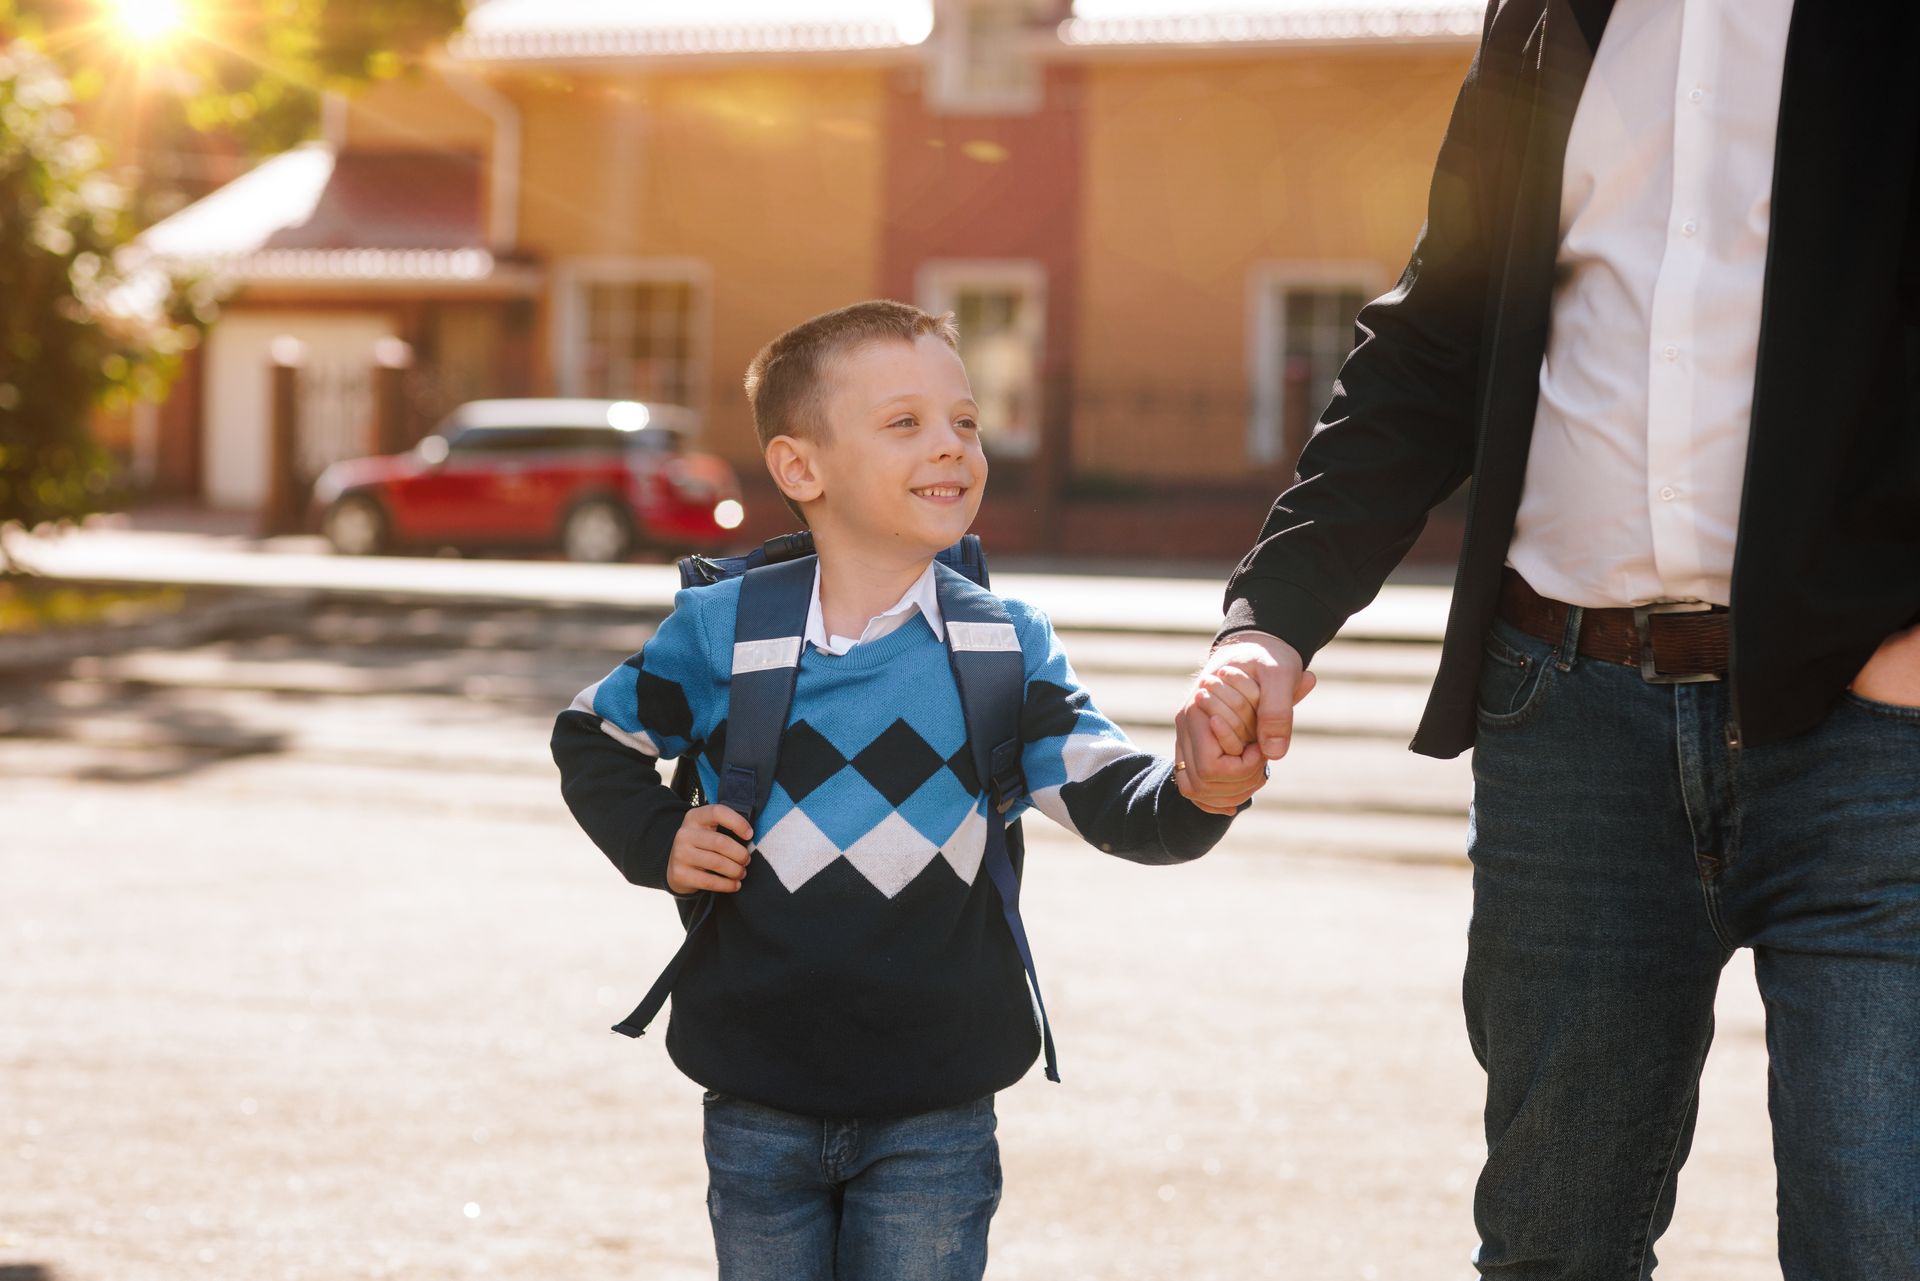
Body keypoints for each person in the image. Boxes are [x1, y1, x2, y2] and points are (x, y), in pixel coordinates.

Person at [1173, 1, 1920, 1276]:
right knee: (1553, 1245)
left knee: (1880, 1238)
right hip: (1565, 714)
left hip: (1870, 735)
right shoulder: (1545, 14)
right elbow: (1435, 338)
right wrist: (1273, 624)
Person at [552, 300, 1258, 1281]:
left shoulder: (1003, 646)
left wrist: (1205, 790)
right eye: (905, 423)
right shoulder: (722, 632)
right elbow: (591, 733)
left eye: (964, 422)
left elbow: (1111, 796)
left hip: (938, 1109)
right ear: (802, 468)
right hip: (756, 1093)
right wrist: (656, 838)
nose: (952, 447)